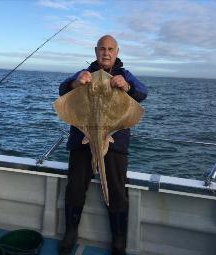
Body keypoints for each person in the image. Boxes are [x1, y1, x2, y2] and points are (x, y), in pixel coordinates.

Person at [58, 35, 147, 255]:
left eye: (110, 49)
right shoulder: (85, 73)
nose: (105, 53)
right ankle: (70, 232)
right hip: (82, 138)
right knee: (75, 187)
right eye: (101, 49)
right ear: (96, 51)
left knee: (116, 189)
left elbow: (143, 92)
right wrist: (76, 82)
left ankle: (119, 241)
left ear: (116, 52)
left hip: (114, 141)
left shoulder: (124, 75)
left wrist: (126, 86)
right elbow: (62, 89)